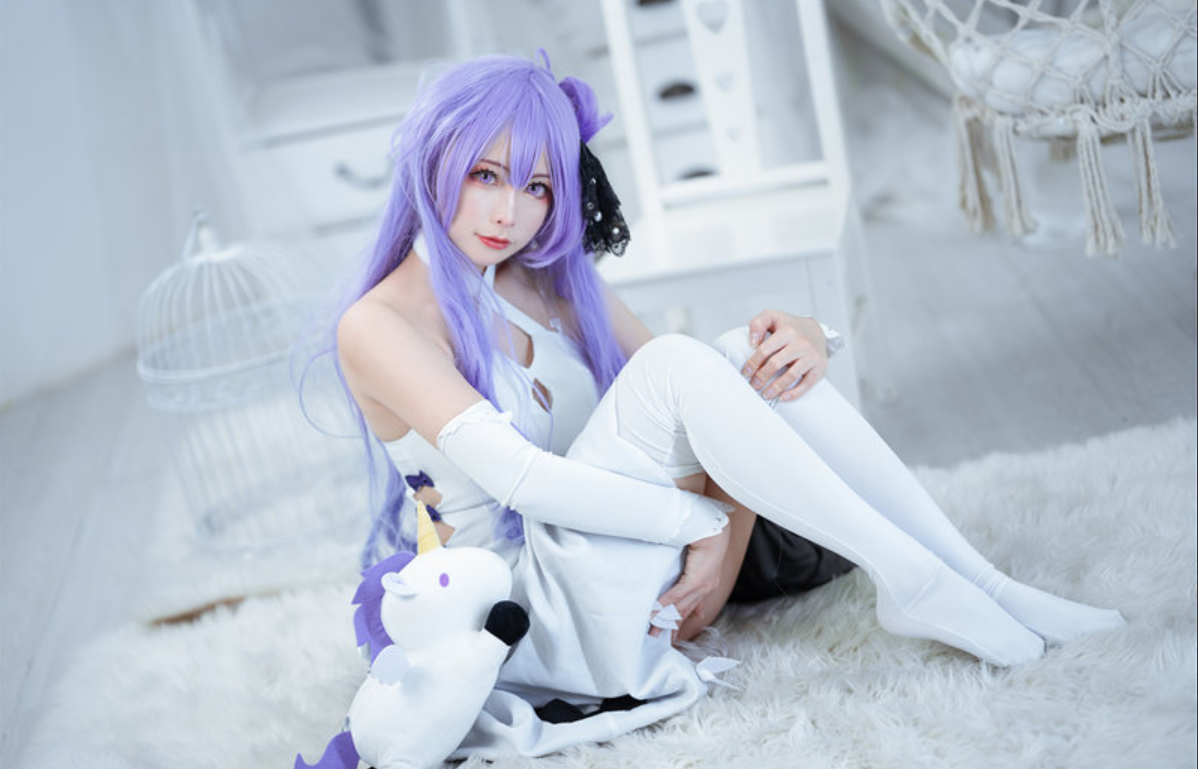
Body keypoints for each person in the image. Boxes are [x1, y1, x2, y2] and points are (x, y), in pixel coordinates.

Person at [324, 53, 1124, 757]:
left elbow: (708, 389)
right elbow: (523, 481)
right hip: (541, 622)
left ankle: (975, 581)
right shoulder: (378, 324)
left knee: (742, 350)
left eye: (536, 186)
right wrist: (702, 523)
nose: (510, 212)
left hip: (642, 580)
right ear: (436, 158)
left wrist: (808, 337)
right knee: (683, 359)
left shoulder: (538, 279)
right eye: (485, 175)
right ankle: (914, 579)